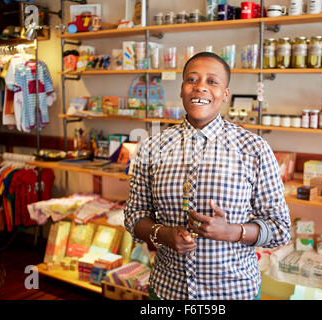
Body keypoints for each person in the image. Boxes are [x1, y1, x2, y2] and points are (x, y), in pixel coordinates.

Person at [124, 52, 291, 300]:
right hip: (167, 290)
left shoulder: (253, 148)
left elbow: (280, 229)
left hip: (233, 291)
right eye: (192, 79)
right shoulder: (151, 147)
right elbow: (134, 216)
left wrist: (232, 231)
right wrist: (163, 234)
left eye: (212, 81)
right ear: (182, 90)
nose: (200, 87)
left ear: (225, 94)